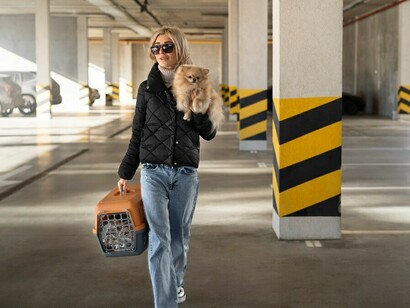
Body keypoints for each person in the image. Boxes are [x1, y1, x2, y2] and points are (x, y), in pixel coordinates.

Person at [117, 26, 217, 308]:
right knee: (159, 239)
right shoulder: (147, 88)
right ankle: (166, 302)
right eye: (156, 48)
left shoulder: (198, 83)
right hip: (152, 172)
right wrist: (126, 172)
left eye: (167, 47)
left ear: (180, 49)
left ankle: (176, 283)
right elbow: (138, 132)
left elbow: (209, 132)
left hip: (185, 173)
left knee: (178, 236)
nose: (161, 52)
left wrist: (195, 108)